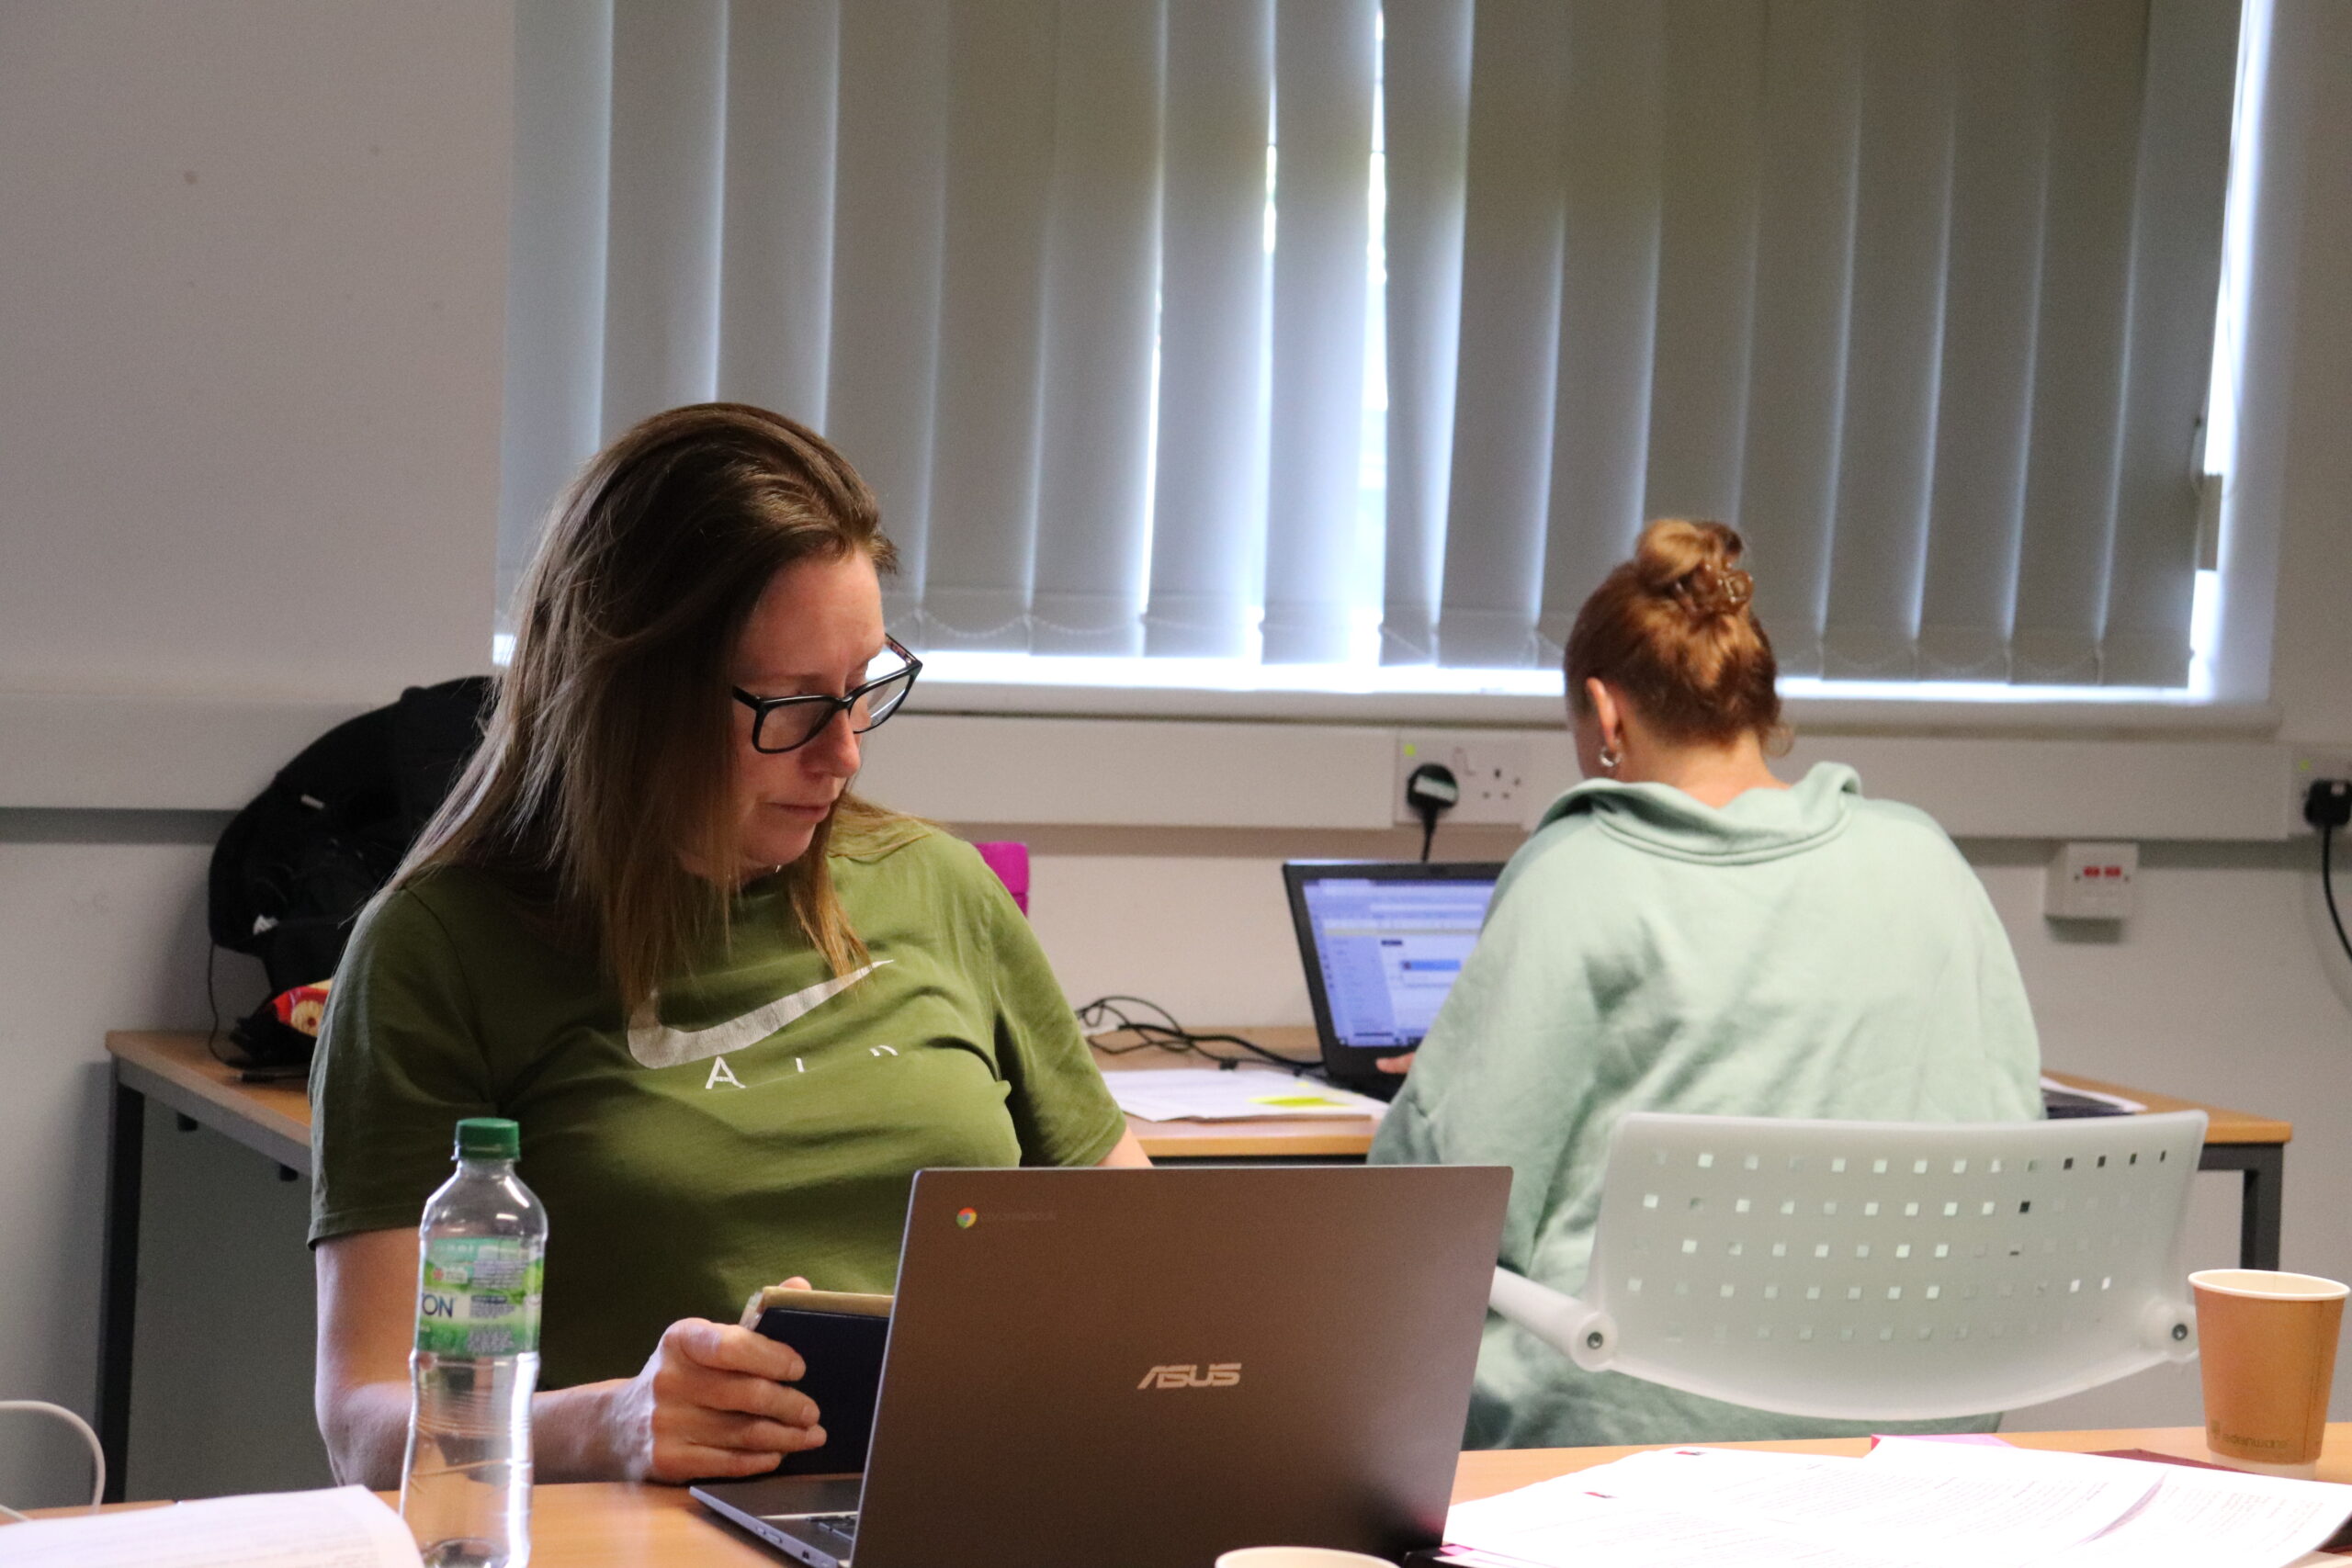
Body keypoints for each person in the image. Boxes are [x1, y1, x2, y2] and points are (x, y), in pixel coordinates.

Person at [310, 404, 1148, 1488]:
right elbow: (363, 1425)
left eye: (863, 689)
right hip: (649, 1532)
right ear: (629, 698)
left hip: (972, 1503)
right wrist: (604, 1424)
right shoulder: (441, 950)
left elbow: (1144, 1258)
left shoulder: (936, 887)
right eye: (795, 706)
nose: (843, 754)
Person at [1368, 519, 2041, 1449]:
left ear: (1605, 716)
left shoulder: (1579, 869)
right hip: (1916, 1424)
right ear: (1758, 706)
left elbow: (1438, 1210)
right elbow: (2015, 1156)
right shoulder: (1922, 859)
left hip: (1614, 1431)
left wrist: (1437, 1086)